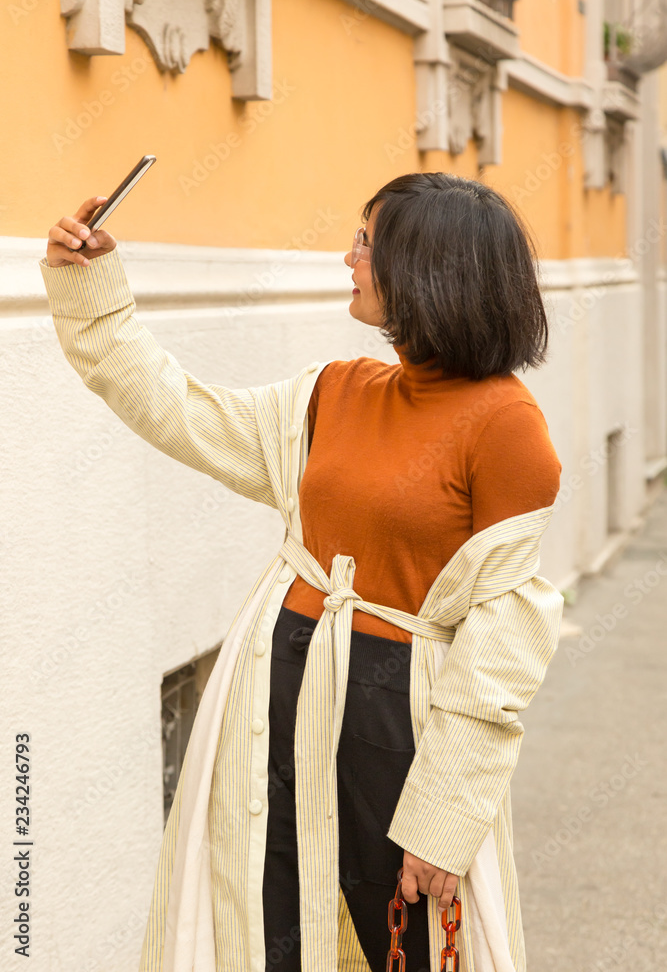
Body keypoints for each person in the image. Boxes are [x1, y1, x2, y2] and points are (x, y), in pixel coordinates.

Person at [41, 172, 564, 972]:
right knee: (266, 928)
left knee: (411, 941)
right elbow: (180, 408)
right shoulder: (333, 392)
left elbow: (504, 643)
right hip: (272, 697)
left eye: (365, 242)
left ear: (428, 269)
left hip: (400, 721)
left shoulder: (506, 426)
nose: (348, 258)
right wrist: (90, 285)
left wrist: (444, 820)